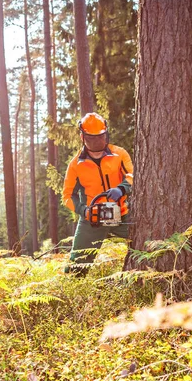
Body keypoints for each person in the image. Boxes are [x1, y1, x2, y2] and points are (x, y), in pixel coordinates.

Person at [62, 112, 133, 275]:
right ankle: (71, 290)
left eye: (100, 137)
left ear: (106, 134)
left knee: (147, 240)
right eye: (91, 138)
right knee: (77, 265)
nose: (96, 141)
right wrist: (83, 210)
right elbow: (67, 195)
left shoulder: (119, 154)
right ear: (83, 137)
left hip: (122, 214)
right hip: (91, 219)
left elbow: (133, 175)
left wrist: (121, 188)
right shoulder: (76, 165)